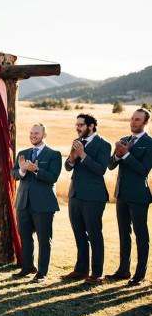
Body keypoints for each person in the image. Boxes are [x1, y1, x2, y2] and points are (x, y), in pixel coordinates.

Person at [61, 113, 111, 285]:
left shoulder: (104, 144)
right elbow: (68, 167)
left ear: (91, 126)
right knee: (79, 233)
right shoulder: (77, 142)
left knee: (94, 234)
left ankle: (97, 273)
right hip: (75, 194)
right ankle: (81, 269)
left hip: (93, 196)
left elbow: (100, 170)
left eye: (81, 125)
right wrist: (72, 159)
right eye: (77, 125)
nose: (77, 128)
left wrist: (82, 155)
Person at [106, 108, 152, 286]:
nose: (133, 122)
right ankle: (123, 270)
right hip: (122, 194)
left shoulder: (149, 143)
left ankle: (139, 275)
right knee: (124, 233)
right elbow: (110, 166)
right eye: (132, 119)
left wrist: (126, 154)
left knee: (141, 235)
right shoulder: (124, 140)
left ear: (146, 122)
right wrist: (118, 155)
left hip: (139, 195)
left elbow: (143, 170)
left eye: (138, 120)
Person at [10, 124, 61, 283]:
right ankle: (27, 266)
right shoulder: (23, 153)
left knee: (44, 239)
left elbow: (53, 177)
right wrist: (23, 170)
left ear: (44, 134)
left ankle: (42, 272)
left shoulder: (53, 154)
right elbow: (14, 174)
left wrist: (36, 170)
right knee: (25, 237)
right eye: (31, 133)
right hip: (23, 203)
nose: (33, 136)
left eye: (37, 133)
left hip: (43, 204)